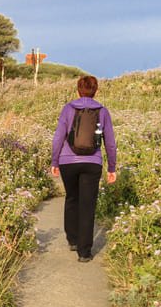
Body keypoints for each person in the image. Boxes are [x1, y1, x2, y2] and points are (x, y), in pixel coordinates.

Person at [50, 75, 117, 262]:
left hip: (67, 162)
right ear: (96, 91)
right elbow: (110, 143)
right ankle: (84, 252)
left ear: (78, 90)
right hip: (92, 162)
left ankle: (72, 239)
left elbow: (58, 138)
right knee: (88, 205)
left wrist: (55, 162)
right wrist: (112, 167)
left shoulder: (68, 109)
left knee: (72, 198)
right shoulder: (102, 111)